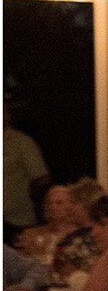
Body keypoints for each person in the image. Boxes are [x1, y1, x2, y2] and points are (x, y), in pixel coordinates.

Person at [50, 192, 108, 280]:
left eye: (103, 224)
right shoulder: (71, 238)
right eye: (94, 225)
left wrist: (75, 276)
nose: (94, 233)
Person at [3, 105, 49, 245]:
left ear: (7, 116)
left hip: (16, 220)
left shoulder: (21, 142)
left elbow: (41, 178)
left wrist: (29, 197)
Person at [16, 181, 88, 266]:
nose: (67, 207)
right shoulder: (32, 235)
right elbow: (21, 265)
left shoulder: (86, 234)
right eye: (59, 203)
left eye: (71, 201)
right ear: (48, 208)